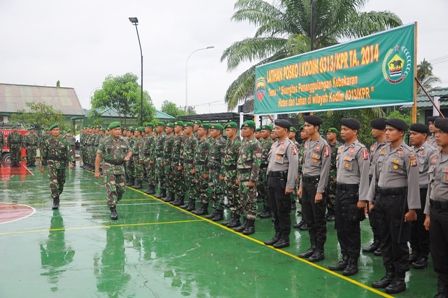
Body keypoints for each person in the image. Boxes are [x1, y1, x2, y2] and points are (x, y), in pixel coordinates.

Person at [368, 119, 420, 294]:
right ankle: (389, 273)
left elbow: (413, 183)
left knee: (398, 240)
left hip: (398, 200)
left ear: (401, 133)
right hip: (381, 198)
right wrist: (371, 199)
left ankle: (399, 278)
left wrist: (412, 208)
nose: (387, 132)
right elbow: (374, 178)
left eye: (391, 130)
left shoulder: (408, 153)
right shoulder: (382, 151)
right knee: (384, 238)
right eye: (386, 130)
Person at [327, 118, 369, 276]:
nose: (342, 132)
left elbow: (365, 176)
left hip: (353, 193)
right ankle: (344, 257)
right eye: (342, 129)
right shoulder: (341, 149)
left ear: (355, 131)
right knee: (341, 226)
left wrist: (363, 199)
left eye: (345, 129)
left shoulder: (361, 150)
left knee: (351, 228)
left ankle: (353, 261)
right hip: (340, 191)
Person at [297, 115, 331, 262]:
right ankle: (312, 247)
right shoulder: (306, 144)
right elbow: (303, 167)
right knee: (308, 218)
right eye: (305, 125)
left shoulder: (324, 145)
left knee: (318, 219)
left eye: (308, 126)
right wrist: (300, 186)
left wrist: (320, 191)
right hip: (306, 182)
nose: (306, 128)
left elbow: (325, 170)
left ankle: (319, 250)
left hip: (317, 184)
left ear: (316, 127)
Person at [263, 119, 298, 248]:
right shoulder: (275, 145)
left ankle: (285, 237)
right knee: (275, 210)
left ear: (286, 130)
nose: (275, 130)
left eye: (278, 128)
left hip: (281, 181)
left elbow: (294, 166)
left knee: (283, 210)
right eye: (275, 128)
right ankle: (277, 235)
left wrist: (290, 186)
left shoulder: (290, 146)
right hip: (272, 179)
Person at [424, 118, 448, 298]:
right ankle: (443, 287)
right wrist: (427, 214)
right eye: (435, 133)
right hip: (435, 210)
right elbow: (430, 188)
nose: (436, 136)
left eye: (440, 133)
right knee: (438, 252)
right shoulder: (434, 157)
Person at [409, 123, 436, 269]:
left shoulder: (431, 151)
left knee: (421, 226)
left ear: (424, 135)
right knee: (412, 223)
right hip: (411, 191)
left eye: (414, 134)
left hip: (423, 191)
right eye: (410, 133)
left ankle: (423, 255)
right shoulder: (410, 150)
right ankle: (414, 251)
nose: (411, 136)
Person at [95, 121, 132, 220]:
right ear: (110, 130)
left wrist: (127, 157)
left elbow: (129, 150)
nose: (118, 131)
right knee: (111, 189)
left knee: (122, 189)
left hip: (120, 167)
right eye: (115, 129)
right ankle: (113, 209)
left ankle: (113, 201)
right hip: (108, 166)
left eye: (119, 129)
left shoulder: (124, 140)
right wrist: (97, 170)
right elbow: (98, 156)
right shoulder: (104, 141)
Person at [363, 118, 387, 256]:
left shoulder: (387, 146)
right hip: (371, 182)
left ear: (382, 130)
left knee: (380, 216)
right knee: (372, 215)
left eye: (374, 128)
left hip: (381, 183)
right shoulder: (373, 146)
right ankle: (376, 241)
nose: (372, 131)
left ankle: (383, 244)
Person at [233, 120, 262, 235]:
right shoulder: (244, 142)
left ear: (252, 129)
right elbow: (239, 161)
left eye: (245, 128)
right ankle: (245, 222)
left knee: (251, 201)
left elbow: (256, 163)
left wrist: (252, 180)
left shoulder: (255, 143)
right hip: (242, 176)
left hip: (249, 176)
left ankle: (250, 225)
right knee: (243, 200)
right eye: (242, 128)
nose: (243, 131)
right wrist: (238, 176)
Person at [40, 124, 72, 209]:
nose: (56, 131)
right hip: (51, 163)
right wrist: (43, 165)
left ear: (59, 131)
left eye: (57, 130)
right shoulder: (47, 142)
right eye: (54, 130)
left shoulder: (65, 141)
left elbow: (69, 152)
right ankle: (55, 199)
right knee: (53, 182)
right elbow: (44, 154)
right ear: (51, 131)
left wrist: (70, 162)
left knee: (61, 182)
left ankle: (58, 193)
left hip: (61, 164)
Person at [221, 122, 242, 227]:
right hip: (228, 173)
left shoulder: (238, 143)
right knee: (230, 195)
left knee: (235, 196)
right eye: (226, 130)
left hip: (234, 173)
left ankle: (236, 218)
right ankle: (232, 217)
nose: (226, 132)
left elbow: (240, 161)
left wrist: (238, 176)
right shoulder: (228, 142)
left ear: (234, 130)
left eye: (228, 130)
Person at [257, 124, 273, 218]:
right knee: (261, 189)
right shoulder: (260, 142)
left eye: (264, 131)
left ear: (269, 132)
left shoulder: (271, 143)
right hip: (260, 169)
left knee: (267, 190)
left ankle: (269, 209)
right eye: (261, 131)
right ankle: (265, 207)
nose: (262, 133)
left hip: (266, 168)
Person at [325, 127, 341, 221]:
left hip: (335, 173)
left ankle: (335, 213)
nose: (328, 135)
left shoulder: (339, 146)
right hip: (327, 173)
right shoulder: (326, 146)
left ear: (335, 135)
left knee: (333, 194)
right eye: (327, 134)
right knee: (327, 193)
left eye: (330, 133)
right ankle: (329, 211)